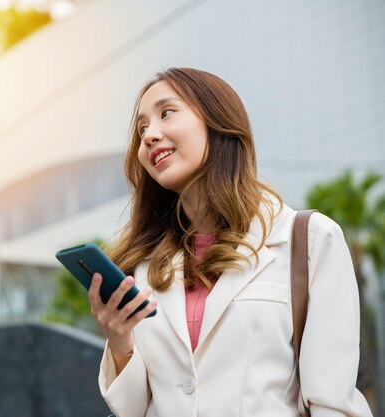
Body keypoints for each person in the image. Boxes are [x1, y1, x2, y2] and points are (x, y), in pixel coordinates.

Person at [88, 67, 373, 417]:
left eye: (166, 113)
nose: (149, 135)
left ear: (217, 119)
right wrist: (120, 343)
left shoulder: (309, 240)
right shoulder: (143, 269)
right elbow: (135, 410)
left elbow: (333, 405)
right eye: (142, 128)